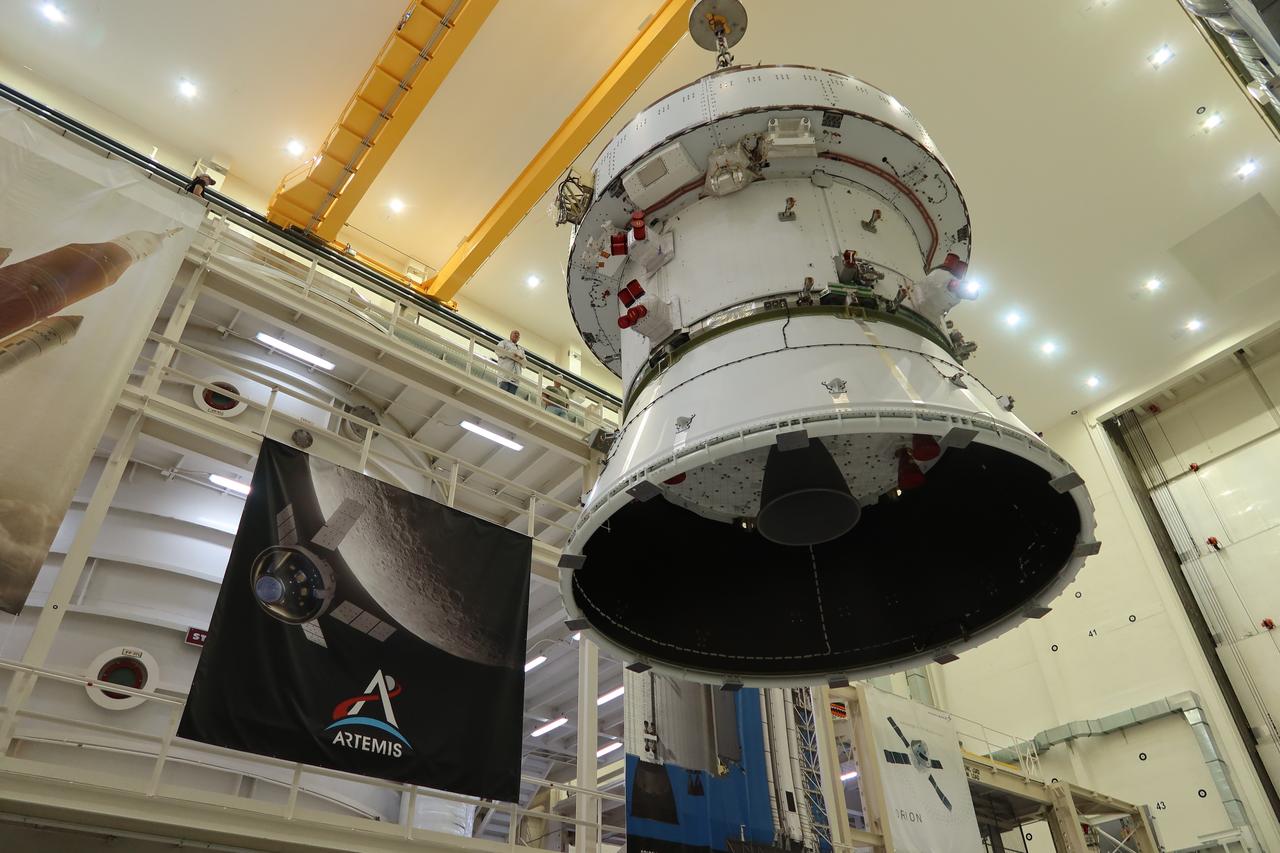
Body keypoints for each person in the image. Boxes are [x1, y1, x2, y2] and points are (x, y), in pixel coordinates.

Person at [495, 330, 525, 395]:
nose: (516, 335)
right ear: (510, 335)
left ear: (519, 338)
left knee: (510, 399)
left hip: (515, 379)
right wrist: (511, 353)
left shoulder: (521, 349)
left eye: (518, 334)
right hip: (505, 376)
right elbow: (498, 352)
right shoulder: (503, 343)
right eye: (515, 333)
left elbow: (524, 364)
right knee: (501, 396)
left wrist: (519, 358)